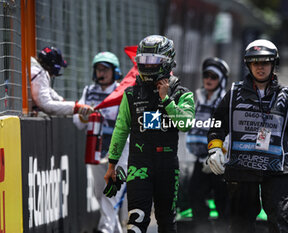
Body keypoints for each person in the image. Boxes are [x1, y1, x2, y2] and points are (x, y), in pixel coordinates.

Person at [207, 39, 288, 233]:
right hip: (241, 168)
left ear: (274, 64)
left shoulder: (286, 97)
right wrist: (215, 148)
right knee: (240, 225)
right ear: (248, 65)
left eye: (265, 62)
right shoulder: (234, 94)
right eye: (255, 63)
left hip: (275, 169)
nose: (260, 67)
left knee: (279, 220)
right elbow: (216, 123)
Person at [104, 35, 195, 233]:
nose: (147, 65)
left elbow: (186, 123)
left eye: (152, 60)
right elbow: (120, 130)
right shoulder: (131, 93)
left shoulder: (182, 93)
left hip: (168, 164)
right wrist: (112, 165)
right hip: (139, 163)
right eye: (143, 60)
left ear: (167, 61)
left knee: (166, 222)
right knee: (136, 220)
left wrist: (166, 99)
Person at [73, 51, 128, 233]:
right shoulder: (88, 91)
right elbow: (78, 123)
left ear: (115, 71)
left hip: (120, 150)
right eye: (98, 69)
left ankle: (104, 230)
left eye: (105, 69)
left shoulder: (124, 91)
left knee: (111, 193)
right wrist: (84, 116)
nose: (101, 73)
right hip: (96, 149)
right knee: (99, 192)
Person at [186, 57, 230, 232]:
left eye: (214, 76)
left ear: (221, 80)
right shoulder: (198, 99)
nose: (209, 80)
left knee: (223, 200)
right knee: (194, 194)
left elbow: (229, 132)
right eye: (206, 75)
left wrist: (218, 154)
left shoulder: (225, 101)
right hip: (201, 160)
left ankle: (223, 229)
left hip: (220, 161)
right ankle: (203, 229)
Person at [31, 46, 93, 116]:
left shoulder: (34, 68)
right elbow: (46, 105)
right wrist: (76, 108)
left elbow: (47, 90)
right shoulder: (40, 74)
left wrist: (61, 101)